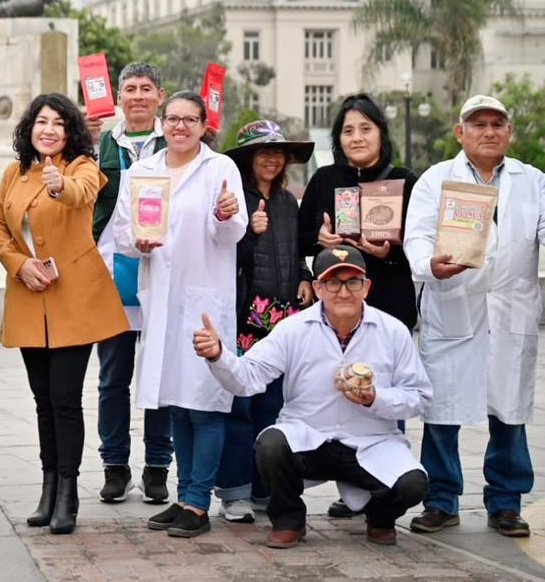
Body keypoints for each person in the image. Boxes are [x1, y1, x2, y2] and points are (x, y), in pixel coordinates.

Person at [193, 246, 432, 548]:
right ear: (318, 288)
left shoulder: (393, 331)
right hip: (308, 436)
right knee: (271, 444)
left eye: (352, 282)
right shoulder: (293, 329)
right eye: (333, 282)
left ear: (367, 287)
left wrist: (375, 398)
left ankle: (380, 518)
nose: (343, 292)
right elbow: (248, 378)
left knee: (414, 484)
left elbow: (419, 396)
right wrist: (218, 356)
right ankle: (289, 520)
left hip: (371, 440)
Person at [104, 90, 246, 538]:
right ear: (163, 124)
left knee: (204, 405)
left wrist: (226, 214)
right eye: (173, 120)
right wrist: (137, 243)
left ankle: (199, 502)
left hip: (204, 301)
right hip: (162, 302)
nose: (180, 127)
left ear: (205, 126)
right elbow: (124, 232)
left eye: (190, 120)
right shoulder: (144, 171)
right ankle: (184, 495)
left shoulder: (220, 168)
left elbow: (231, 231)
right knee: (176, 405)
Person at [403, 94, 545, 538]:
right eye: (478, 124)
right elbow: (418, 236)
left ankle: (506, 502)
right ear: (460, 133)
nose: (488, 131)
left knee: (510, 411)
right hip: (453, 304)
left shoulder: (533, 180)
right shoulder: (436, 178)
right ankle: (441, 500)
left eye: (496, 124)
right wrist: (431, 265)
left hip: (510, 310)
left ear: (509, 132)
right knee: (442, 411)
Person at [0, 93, 127, 534]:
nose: (48, 130)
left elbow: (81, 193)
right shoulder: (13, 172)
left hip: (74, 301)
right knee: (42, 400)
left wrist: (57, 184)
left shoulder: (81, 167)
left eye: (58, 124)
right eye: (41, 122)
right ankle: (48, 488)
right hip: (30, 297)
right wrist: (19, 264)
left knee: (65, 399)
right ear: (29, 128)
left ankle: (68, 492)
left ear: (70, 132)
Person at [214, 120, 315, 524]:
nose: (271, 158)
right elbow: (222, 256)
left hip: (282, 318)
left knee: (272, 406)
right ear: (248, 160)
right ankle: (234, 491)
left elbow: (295, 252)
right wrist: (250, 234)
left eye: (277, 152)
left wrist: (305, 278)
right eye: (262, 152)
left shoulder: (289, 201)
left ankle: (261, 487)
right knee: (240, 406)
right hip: (242, 316)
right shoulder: (234, 199)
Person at [88, 61, 173, 505]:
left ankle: (158, 466)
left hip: (161, 270)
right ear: (118, 97)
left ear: (160, 95)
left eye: (146, 89)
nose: (138, 96)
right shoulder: (101, 144)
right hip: (110, 270)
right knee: (112, 377)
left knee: (159, 373)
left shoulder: (176, 140)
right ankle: (114, 466)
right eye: (130, 89)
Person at [297, 94, 419, 330]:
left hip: (390, 308)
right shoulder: (324, 179)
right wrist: (318, 239)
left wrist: (389, 254)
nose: (357, 138)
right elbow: (297, 241)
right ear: (338, 139)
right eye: (348, 131)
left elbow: (422, 248)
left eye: (366, 129)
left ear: (381, 134)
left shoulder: (404, 181)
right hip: (333, 313)